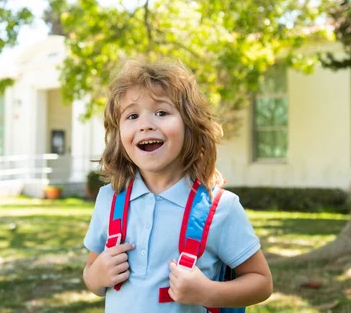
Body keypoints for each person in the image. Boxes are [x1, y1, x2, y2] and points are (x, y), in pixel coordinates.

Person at [83, 60, 273, 312]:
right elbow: (91, 274)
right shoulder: (109, 199)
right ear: (119, 135)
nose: (145, 124)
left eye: (161, 112)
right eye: (132, 115)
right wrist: (96, 277)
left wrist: (208, 292)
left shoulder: (221, 208)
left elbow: (261, 283)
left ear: (190, 126)